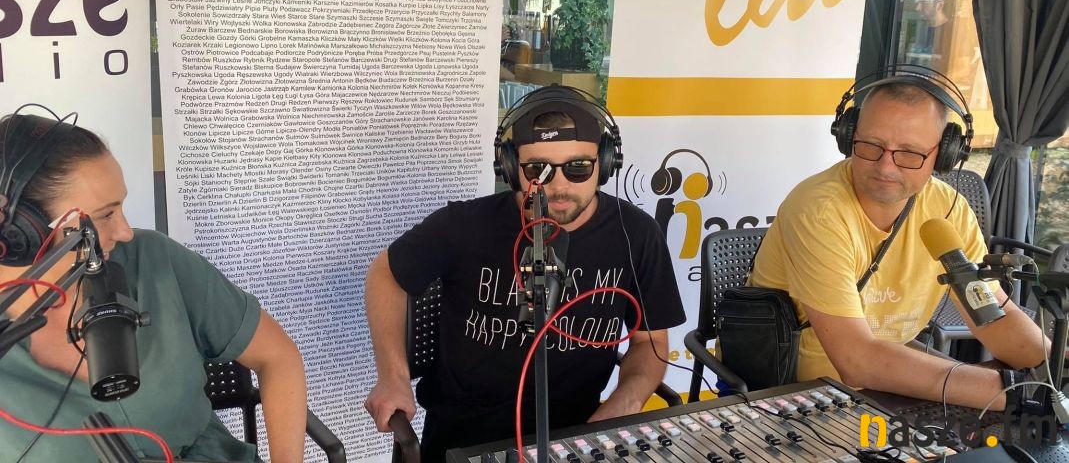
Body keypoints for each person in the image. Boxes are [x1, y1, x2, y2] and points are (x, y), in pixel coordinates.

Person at [363, 86, 685, 460]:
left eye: (578, 167)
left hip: (577, 435)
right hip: (464, 437)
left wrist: (620, 407)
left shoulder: (637, 234)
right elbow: (385, 273)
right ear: (510, 167)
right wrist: (393, 376)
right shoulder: (463, 225)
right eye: (538, 170)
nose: (559, 186)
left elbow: (649, 342)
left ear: (606, 163)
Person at [0, 110, 307, 462]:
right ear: (22, 231)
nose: (125, 232)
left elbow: (278, 357)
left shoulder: (153, 258)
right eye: (105, 215)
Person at [749, 75, 1047, 410]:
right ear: (848, 135)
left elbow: (991, 315)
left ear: (945, 154)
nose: (885, 167)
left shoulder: (949, 209)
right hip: (795, 394)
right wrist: (1013, 394)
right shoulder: (818, 211)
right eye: (871, 145)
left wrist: (1053, 367)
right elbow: (856, 360)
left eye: (909, 153)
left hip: (888, 382)